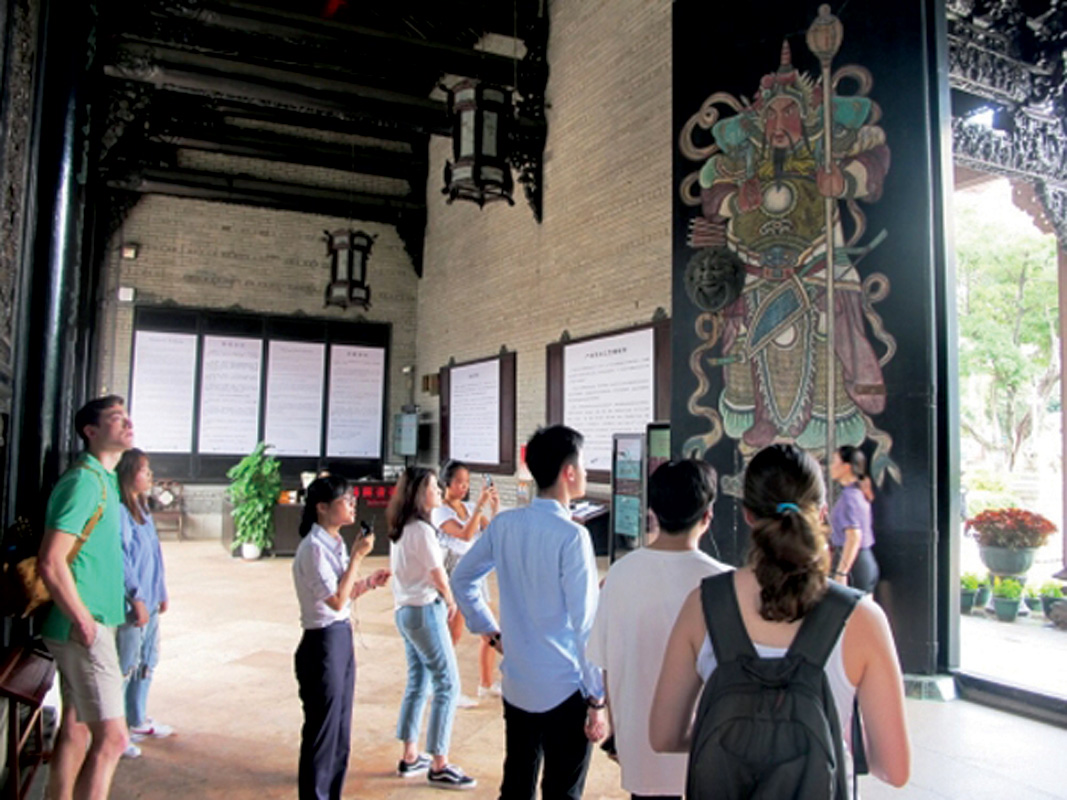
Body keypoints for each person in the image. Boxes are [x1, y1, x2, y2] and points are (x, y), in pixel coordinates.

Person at [650, 443, 909, 795]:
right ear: (820, 513)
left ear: (746, 515)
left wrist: (735, 736)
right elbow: (895, 770)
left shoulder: (703, 604)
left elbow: (663, 735)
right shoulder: (862, 618)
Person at [452, 425, 605, 800]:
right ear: (569, 472)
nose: (585, 472)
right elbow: (585, 625)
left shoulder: (505, 525)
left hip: (517, 684)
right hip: (564, 687)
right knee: (561, 790)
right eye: (582, 464)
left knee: (517, 784)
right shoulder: (572, 536)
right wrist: (598, 697)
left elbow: (462, 578)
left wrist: (489, 630)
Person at [588, 459, 729, 800]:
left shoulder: (620, 574)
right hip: (707, 749)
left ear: (651, 511)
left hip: (642, 749)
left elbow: (606, 663)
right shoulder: (724, 583)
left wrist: (618, 730)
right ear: (707, 517)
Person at [38, 396, 134, 800]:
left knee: (77, 728)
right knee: (112, 739)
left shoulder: (106, 480)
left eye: (127, 416)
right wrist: (82, 620)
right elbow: (51, 560)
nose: (127, 423)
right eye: (115, 419)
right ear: (90, 432)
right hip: (83, 624)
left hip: (91, 621)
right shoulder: (84, 482)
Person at [292, 475, 390, 800]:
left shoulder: (334, 542)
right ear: (322, 508)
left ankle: (332, 793)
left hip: (340, 636)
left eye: (352, 499)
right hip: (321, 643)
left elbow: (345, 594)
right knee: (323, 731)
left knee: (340, 729)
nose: (353, 505)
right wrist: (359, 558)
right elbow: (334, 600)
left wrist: (369, 582)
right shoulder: (313, 549)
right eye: (345, 500)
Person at [388, 467, 476, 790]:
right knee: (447, 682)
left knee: (419, 679)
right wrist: (451, 600)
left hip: (405, 611)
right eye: (433, 488)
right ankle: (439, 762)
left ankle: (411, 755)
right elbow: (437, 573)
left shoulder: (401, 526)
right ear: (417, 494)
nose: (439, 492)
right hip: (425, 611)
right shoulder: (422, 531)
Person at [114, 449, 172, 760]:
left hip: (150, 599)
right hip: (133, 604)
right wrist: (135, 596)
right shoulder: (122, 512)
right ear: (127, 474)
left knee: (148, 659)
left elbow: (155, 555)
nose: (149, 476)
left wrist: (160, 591)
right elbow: (122, 558)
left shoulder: (142, 508)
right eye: (143, 470)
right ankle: (116, 731)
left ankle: (137, 719)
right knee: (127, 664)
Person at [431, 460, 500, 706]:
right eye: (459, 482)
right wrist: (480, 507)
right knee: (453, 633)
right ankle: (444, 688)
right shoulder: (439, 511)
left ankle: (486, 683)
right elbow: (465, 534)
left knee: (490, 629)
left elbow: (492, 533)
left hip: (475, 574)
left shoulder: (471, 507)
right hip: (454, 575)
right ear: (446, 483)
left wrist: (493, 507)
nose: (464, 486)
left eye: (467, 482)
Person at [830, 445, 879, 592]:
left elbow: (853, 537)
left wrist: (841, 572)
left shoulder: (850, 498)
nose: (831, 466)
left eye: (834, 462)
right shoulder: (856, 493)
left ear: (846, 467)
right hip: (861, 562)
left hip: (854, 564)